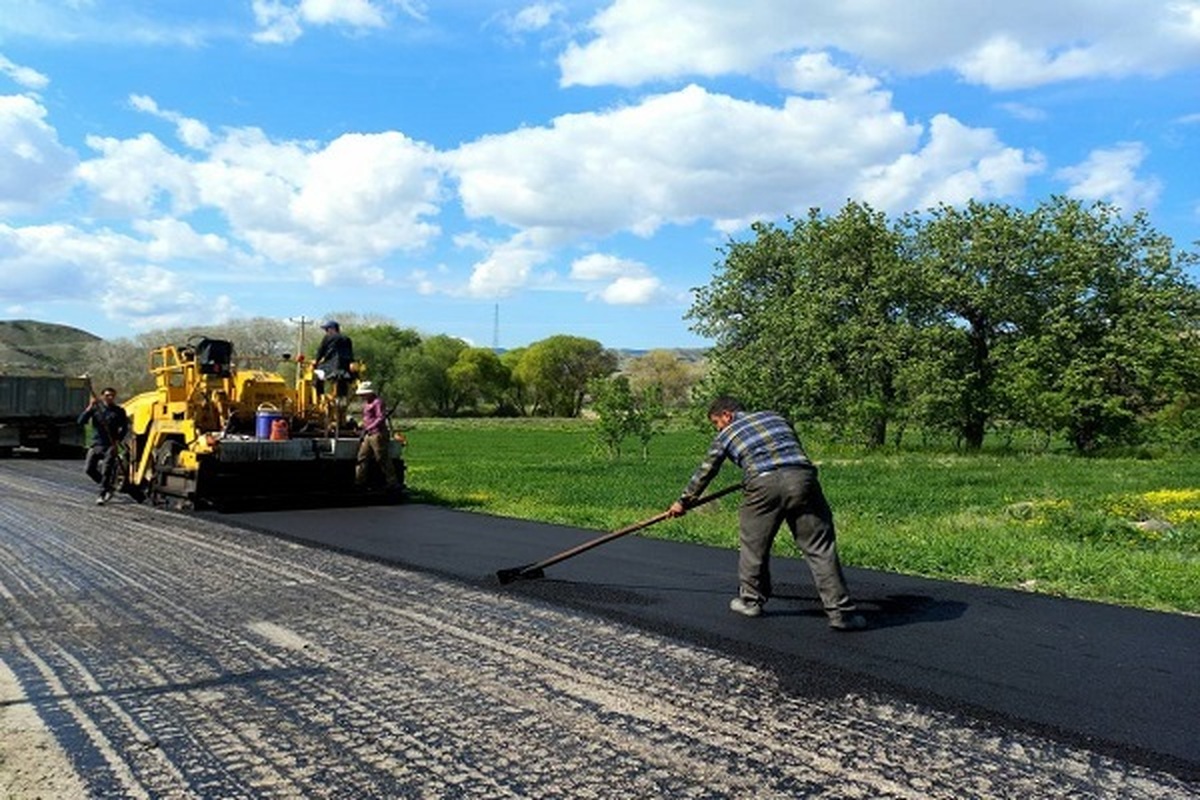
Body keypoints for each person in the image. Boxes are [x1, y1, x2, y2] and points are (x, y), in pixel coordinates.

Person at [667, 396, 866, 631]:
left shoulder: (726, 434)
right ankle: (841, 613)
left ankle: (750, 601)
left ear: (727, 415)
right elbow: (786, 447)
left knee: (754, 545)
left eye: (716, 422)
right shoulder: (776, 416)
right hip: (803, 478)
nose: (717, 428)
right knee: (820, 548)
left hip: (763, 485)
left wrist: (683, 502)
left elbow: (706, 471)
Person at [78, 386, 130, 505]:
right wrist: (89, 407)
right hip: (96, 444)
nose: (110, 398)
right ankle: (108, 486)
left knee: (107, 469)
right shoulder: (96, 409)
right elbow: (81, 421)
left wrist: (118, 440)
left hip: (111, 445)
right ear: (102, 397)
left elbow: (124, 428)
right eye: (107, 395)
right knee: (89, 469)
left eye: (112, 395)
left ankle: (102, 494)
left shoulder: (119, 411)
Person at [354, 381, 400, 491]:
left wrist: (369, 427)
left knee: (382, 458)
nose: (361, 396)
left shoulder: (377, 402)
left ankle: (392, 482)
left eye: (363, 394)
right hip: (368, 434)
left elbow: (380, 417)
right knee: (362, 457)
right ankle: (359, 482)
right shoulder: (367, 403)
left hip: (377, 433)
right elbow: (367, 418)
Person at [313, 320, 355, 398]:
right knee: (342, 380)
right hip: (345, 367)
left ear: (332, 329)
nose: (326, 331)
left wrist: (316, 361)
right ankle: (342, 397)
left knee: (316, 373)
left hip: (331, 366)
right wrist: (351, 363)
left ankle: (319, 396)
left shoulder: (328, 337)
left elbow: (321, 350)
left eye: (326, 329)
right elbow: (351, 353)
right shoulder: (347, 339)